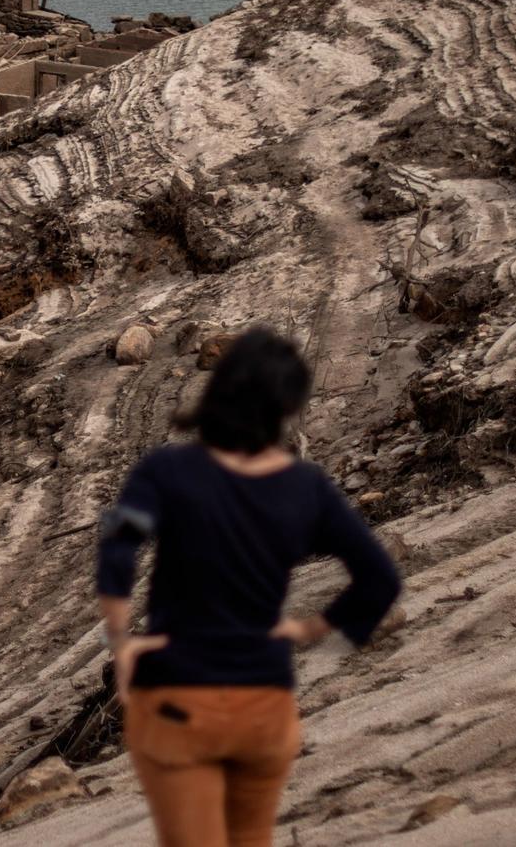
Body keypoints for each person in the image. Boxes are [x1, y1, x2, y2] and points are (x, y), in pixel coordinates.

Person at [96, 327, 402, 847]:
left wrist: (121, 638)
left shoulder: (168, 469)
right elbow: (380, 578)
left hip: (179, 697)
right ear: (287, 407)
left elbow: (119, 546)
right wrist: (317, 630)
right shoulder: (307, 486)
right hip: (264, 703)